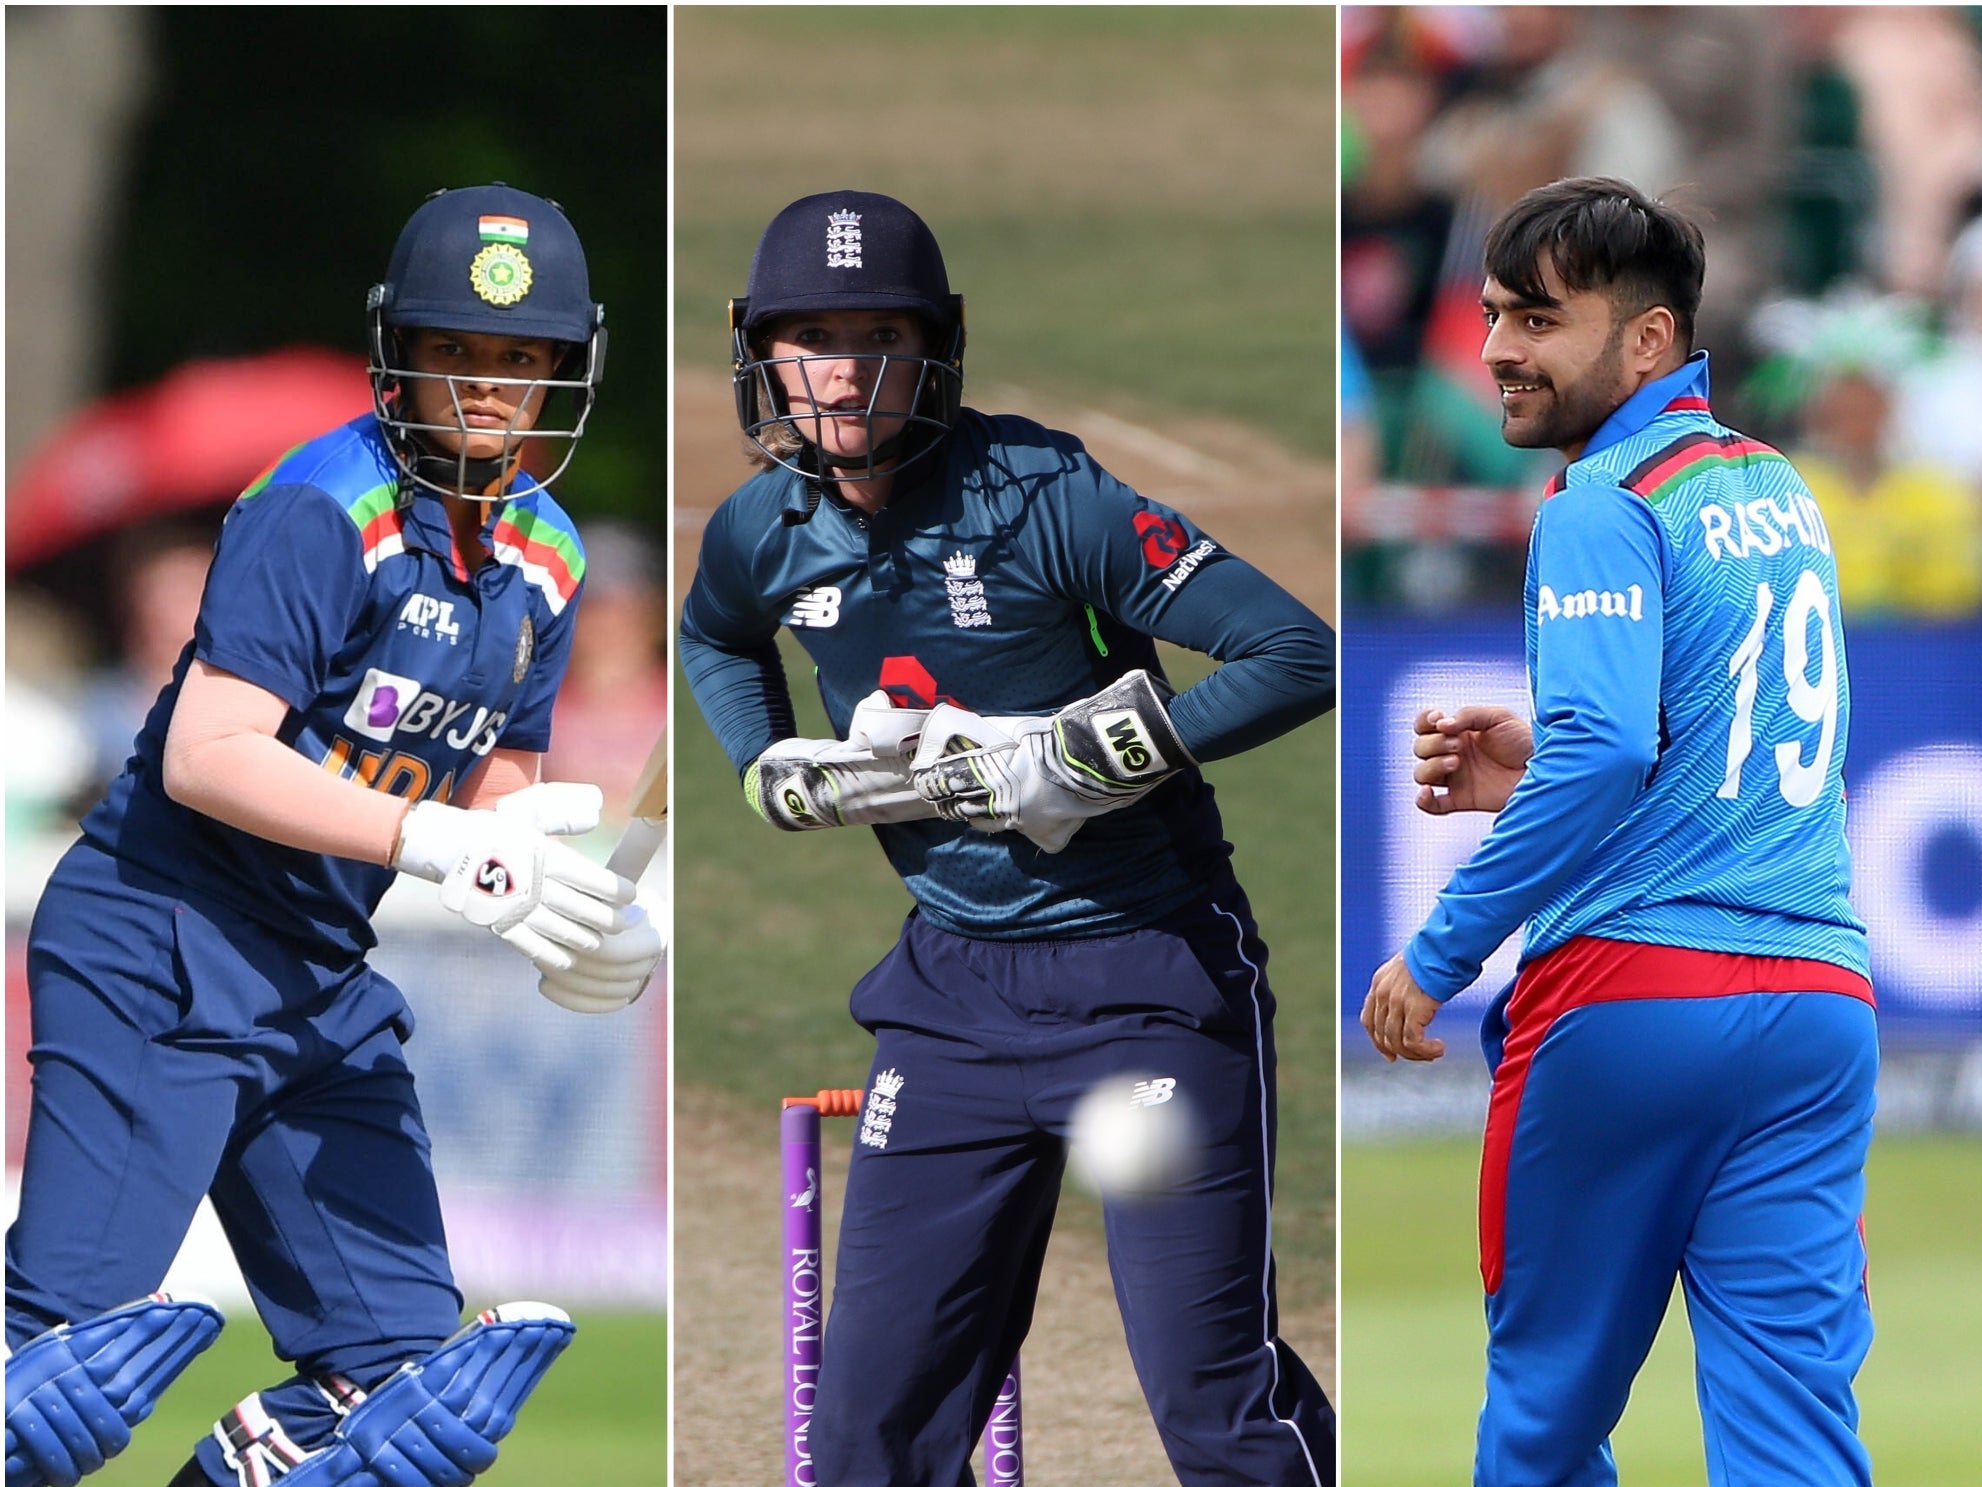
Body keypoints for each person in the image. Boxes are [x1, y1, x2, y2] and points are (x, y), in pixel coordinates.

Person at [3, 183, 664, 1487]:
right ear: (398, 353)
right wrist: (442, 844)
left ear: (562, 373)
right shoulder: (324, 506)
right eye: (457, 351)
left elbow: (496, 786)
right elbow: (207, 754)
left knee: (404, 1413)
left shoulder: (548, 558)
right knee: (50, 1393)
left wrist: (553, 898)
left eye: (522, 360)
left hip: (320, 979)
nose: (489, 387)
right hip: (163, 939)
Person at [680, 189, 1337, 1487]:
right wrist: (763, 765)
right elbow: (714, 635)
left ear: (939, 346)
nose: (846, 368)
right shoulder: (761, 530)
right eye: (811, 337)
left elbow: (1294, 651)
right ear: (761, 354)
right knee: (868, 1435)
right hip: (949, 998)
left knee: (1212, 1406)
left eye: (881, 333)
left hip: (1146, 982)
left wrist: (1087, 756)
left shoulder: (1050, 498)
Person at [1361, 177, 1875, 1487]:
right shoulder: (1775, 488)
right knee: (1793, 1434)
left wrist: (1438, 948)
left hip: (1632, 998)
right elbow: (1738, 735)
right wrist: (1545, 761)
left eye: (1536, 320)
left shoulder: (1600, 498)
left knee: (1541, 1422)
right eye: (1489, 316)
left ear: (1646, 341)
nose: (1493, 352)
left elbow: (1602, 749)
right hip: (1818, 1006)